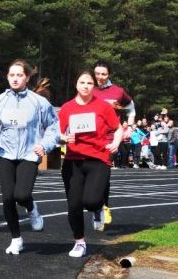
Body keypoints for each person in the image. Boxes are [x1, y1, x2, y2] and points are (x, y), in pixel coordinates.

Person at [0, 60, 59, 255]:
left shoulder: (38, 102)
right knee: (7, 199)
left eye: (19, 75)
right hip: (4, 153)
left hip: (29, 154)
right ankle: (16, 238)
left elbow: (54, 127)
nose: (15, 78)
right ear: (7, 77)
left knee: (21, 195)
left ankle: (31, 207)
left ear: (27, 78)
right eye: (12, 75)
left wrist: (45, 145)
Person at [58, 71, 123, 257]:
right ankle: (79, 242)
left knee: (91, 200)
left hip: (98, 159)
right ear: (76, 85)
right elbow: (58, 135)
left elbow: (118, 128)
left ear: (93, 86)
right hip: (73, 161)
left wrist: (116, 143)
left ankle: (98, 208)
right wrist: (64, 138)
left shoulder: (102, 107)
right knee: (74, 205)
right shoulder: (67, 108)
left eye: (89, 83)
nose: (85, 85)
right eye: (82, 82)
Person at [93, 61, 135, 226]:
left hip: (111, 137)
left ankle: (104, 207)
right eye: (97, 74)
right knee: (92, 173)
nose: (100, 77)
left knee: (103, 171)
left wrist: (130, 127)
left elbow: (131, 107)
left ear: (108, 74)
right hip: (92, 138)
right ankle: (96, 204)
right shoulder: (89, 88)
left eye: (103, 74)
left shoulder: (118, 92)